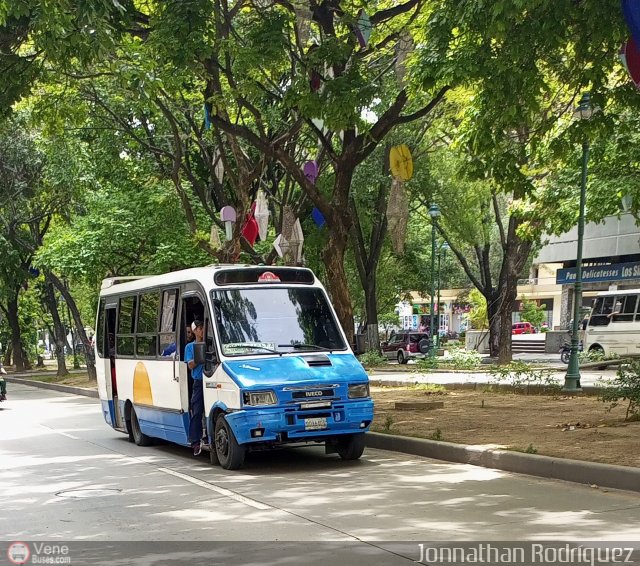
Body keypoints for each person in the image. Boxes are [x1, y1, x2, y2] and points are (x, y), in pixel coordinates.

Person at [184, 320, 205, 456]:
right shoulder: (190, 347)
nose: (202, 330)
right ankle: (195, 442)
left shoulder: (210, 344)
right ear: (195, 330)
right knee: (197, 411)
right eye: (200, 328)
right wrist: (199, 357)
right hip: (198, 382)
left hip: (211, 379)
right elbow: (190, 365)